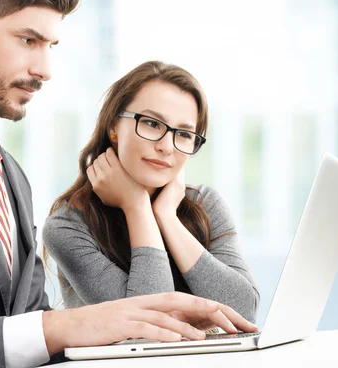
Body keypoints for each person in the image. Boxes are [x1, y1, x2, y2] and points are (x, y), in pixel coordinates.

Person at [0, 0, 258, 368]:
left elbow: (28, 321)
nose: (45, 70)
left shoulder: (9, 174)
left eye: (50, 46)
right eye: (28, 40)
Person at [43, 61, 260, 322]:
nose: (167, 147)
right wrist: (137, 206)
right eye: (152, 124)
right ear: (114, 126)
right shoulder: (68, 227)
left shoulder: (205, 204)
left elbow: (245, 311)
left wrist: (167, 217)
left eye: (184, 134)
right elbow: (146, 326)